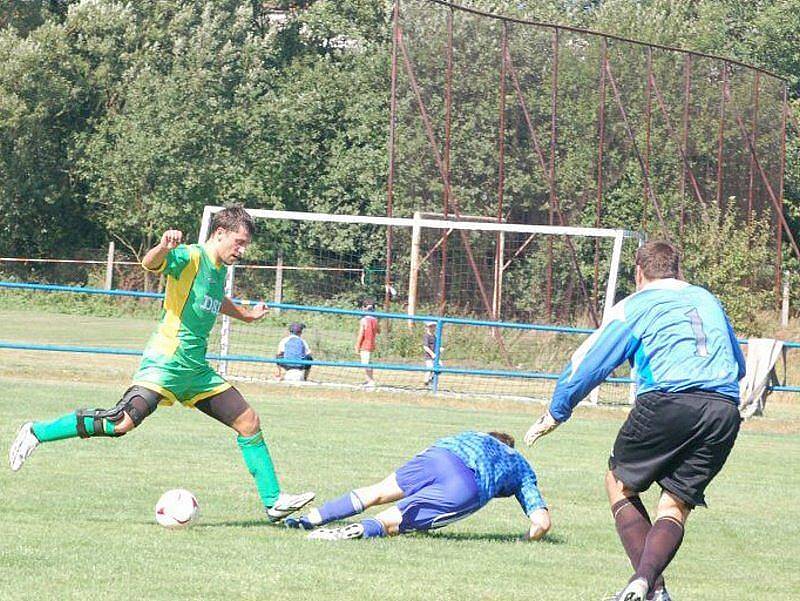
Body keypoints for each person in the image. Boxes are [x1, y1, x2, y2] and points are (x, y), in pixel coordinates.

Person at [8, 206, 314, 521]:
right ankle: (36, 432)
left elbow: (215, 297)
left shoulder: (219, 267)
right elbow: (151, 263)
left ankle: (274, 502)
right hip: (166, 362)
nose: (242, 249)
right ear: (219, 233)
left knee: (248, 422)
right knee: (120, 423)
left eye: (245, 244)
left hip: (195, 370)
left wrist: (246, 316)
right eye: (238, 242)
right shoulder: (190, 257)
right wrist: (163, 247)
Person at [524, 241, 745, 601]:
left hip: (668, 399)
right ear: (678, 270)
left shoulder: (635, 305)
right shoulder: (707, 299)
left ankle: (653, 590)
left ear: (638, 273)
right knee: (674, 506)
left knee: (618, 482)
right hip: (723, 409)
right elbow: (740, 363)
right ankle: (643, 583)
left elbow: (590, 363)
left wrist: (557, 410)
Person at [285, 430, 551, 542]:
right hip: (468, 485)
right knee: (391, 521)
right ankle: (344, 534)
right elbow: (542, 523)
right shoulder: (522, 467)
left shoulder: (475, 434)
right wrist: (523, 540)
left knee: (377, 491)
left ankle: (308, 520)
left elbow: (430, 447)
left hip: (440, 456)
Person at [355, 298, 380, 387]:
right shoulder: (375, 320)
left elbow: (361, 334)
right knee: (368, 363)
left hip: (365, 345)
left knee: (365, 364)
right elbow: (379, 331)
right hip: (372, 344)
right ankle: (369, 379)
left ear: (364, 308)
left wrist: (357, 346)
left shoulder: (364, 320)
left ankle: (371, 381)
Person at [422, 321, 437, 386]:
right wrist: (432, 354)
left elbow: (436, 345)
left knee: (440, 367)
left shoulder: (434, 336)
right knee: (430, 368)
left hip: (435, 356)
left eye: (433, 326)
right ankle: (426, 381)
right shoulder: (426, 336)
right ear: (427, 328)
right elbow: (425, 347)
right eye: (430, 326)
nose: (432, 328)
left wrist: (439, 349)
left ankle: (431, 378)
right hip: (428, 356)